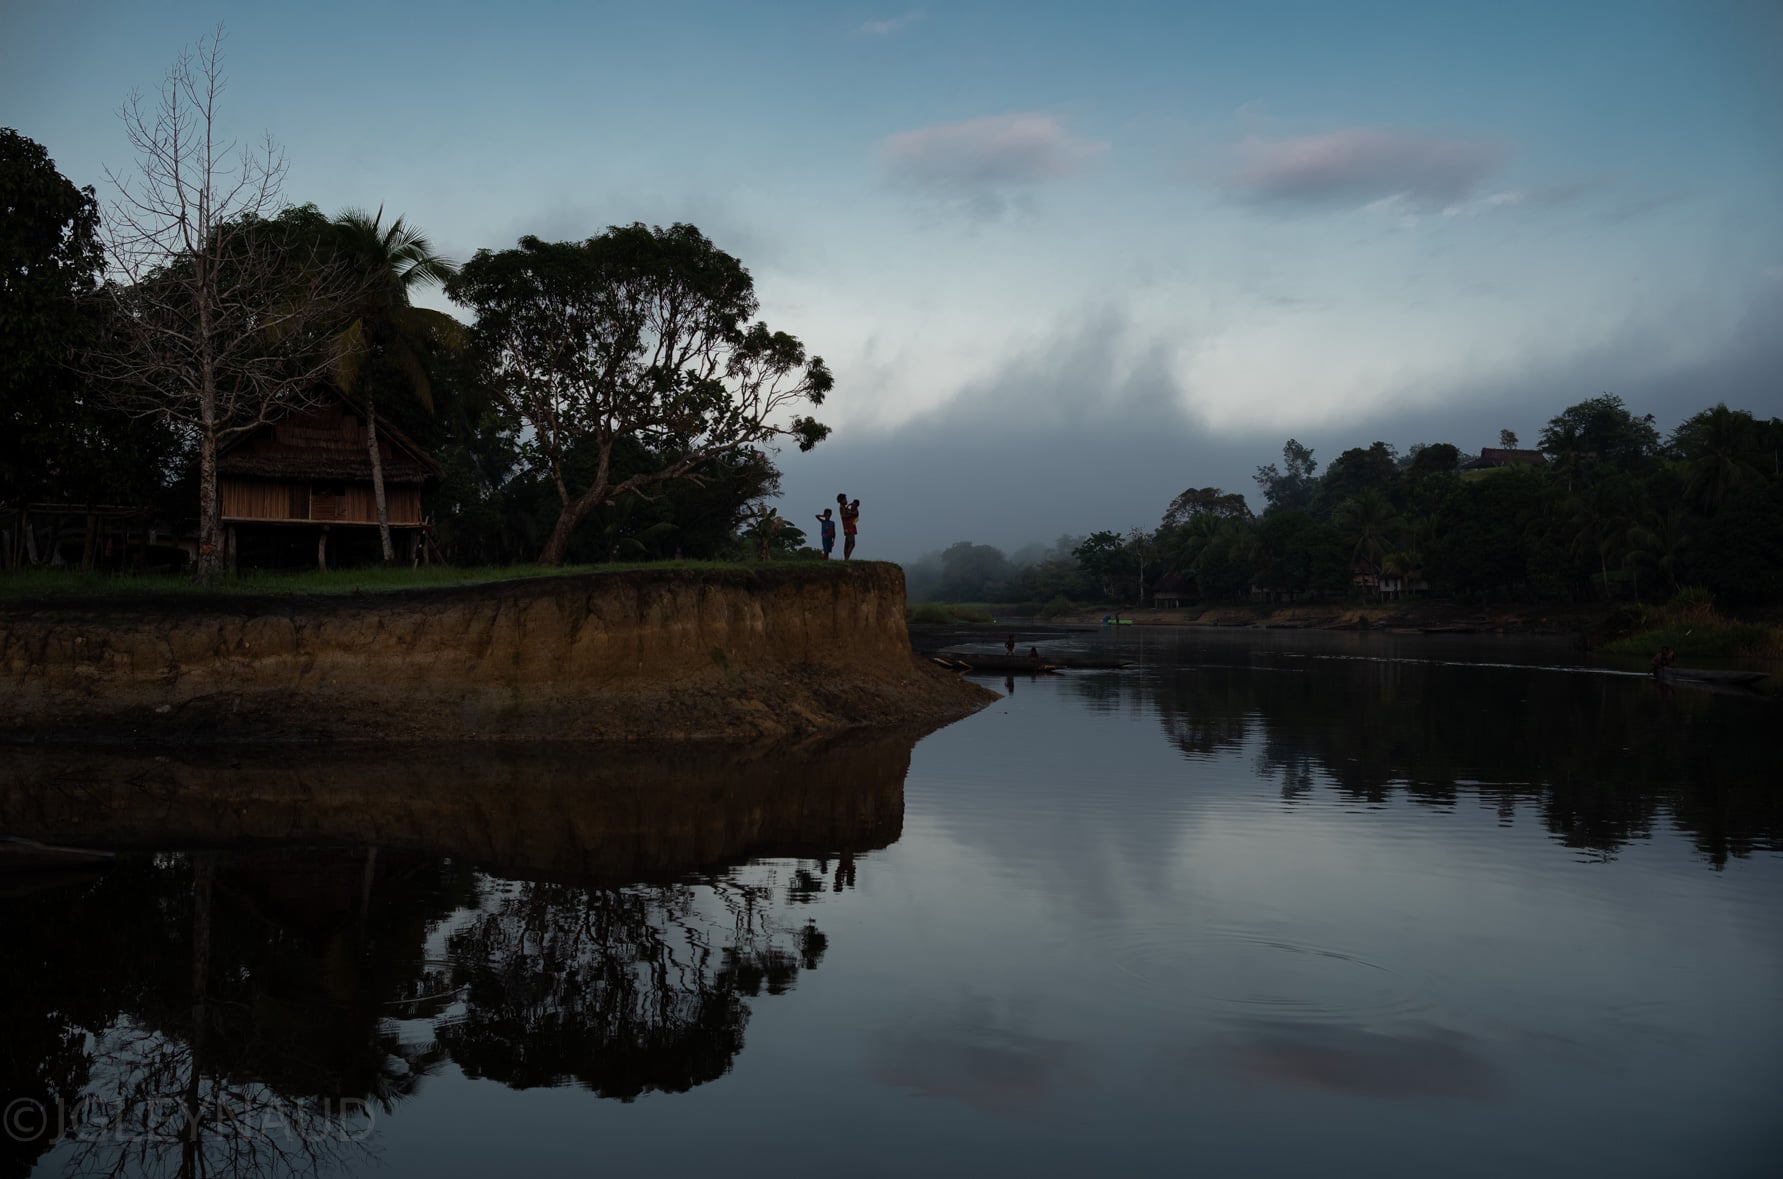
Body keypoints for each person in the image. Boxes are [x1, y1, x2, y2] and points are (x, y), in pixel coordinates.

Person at [837, 494, 860, 559]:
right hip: (849, 527)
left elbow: (855, 514)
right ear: (841, 500)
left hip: (848, 527)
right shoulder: (842, 508)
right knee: (852, 543)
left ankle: (846, 558)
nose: (846, 500)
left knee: (847, 543)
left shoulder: (845, 508)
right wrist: (851, 513)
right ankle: (847, 558)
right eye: (845, 499)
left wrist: (851, 507)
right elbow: (844, 516)